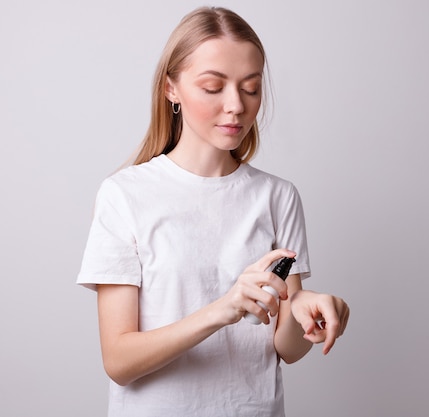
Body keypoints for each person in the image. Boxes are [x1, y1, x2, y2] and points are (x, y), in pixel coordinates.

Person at [76, 6, 349, 417]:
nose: (236, 106)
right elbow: (119, 361)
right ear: (172, 89)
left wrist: (305, 307)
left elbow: (286, 349)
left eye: (251, 88)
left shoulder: (278, 197)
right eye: (212, 87)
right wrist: (221, 310)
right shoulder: (125, 195)